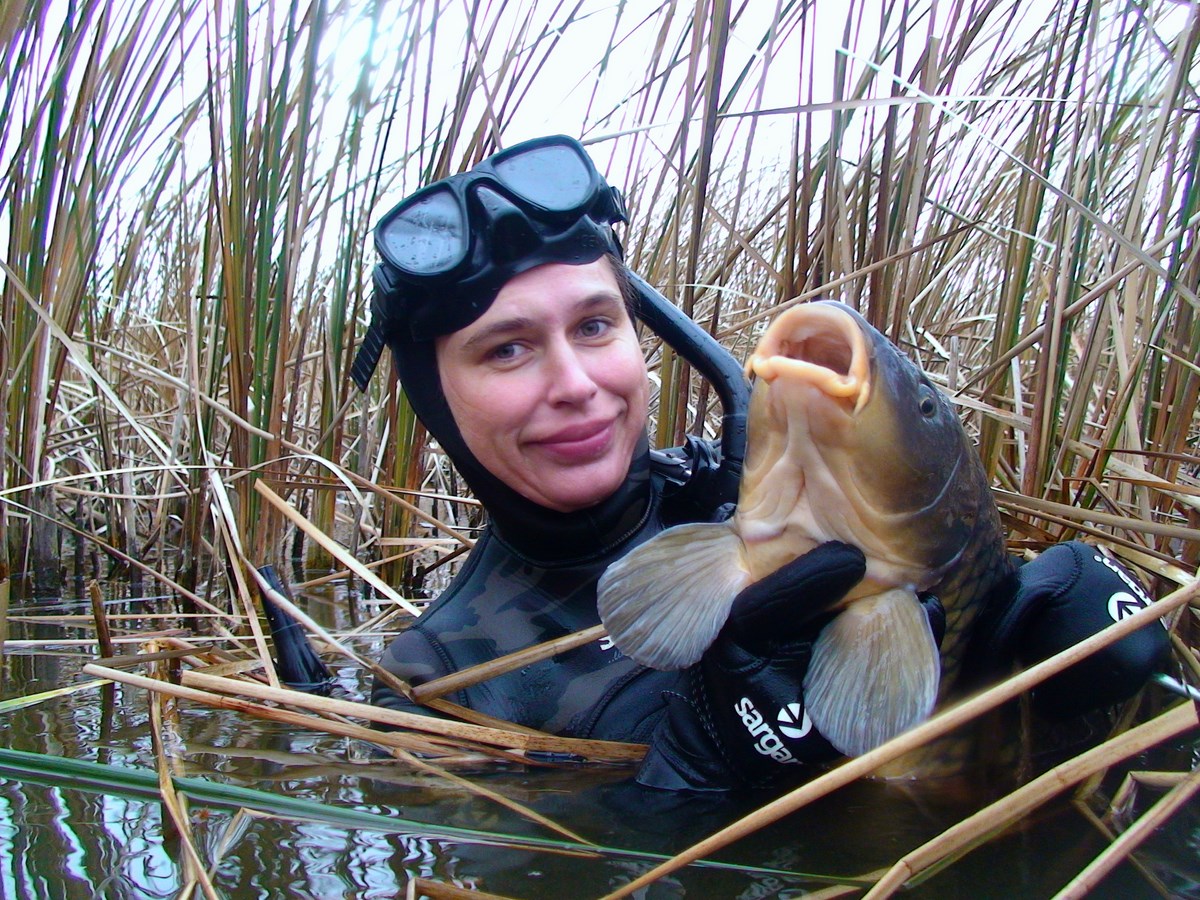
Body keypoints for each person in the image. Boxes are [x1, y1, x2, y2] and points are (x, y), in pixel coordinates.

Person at [348, 134, 1169, 792]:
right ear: (437, 400)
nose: (575, 384)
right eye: (507, 349)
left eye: (596, 326)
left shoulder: (746, 490)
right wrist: (701, 769)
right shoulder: (435, 685)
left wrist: (1087, 675)